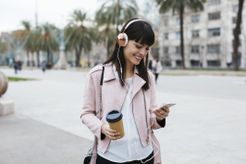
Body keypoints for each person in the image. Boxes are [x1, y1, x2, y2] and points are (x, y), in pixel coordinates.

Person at [80, 18, 170, 164]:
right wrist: (102, 127)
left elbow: (151, 121)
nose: (143, 53)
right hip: (110, 157)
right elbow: (86, 113)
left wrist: (159, 117)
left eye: (147, 48)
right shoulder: (97, 75)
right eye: (139, 46)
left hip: (145, 157)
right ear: (122, 41)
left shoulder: (149, 78)